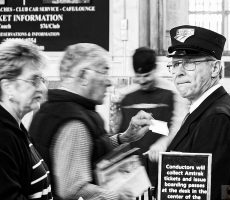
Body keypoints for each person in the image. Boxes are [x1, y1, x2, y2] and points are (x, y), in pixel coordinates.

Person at [29, 43, 152, 200]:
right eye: (104, 72)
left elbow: (87, 150)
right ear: (84, 76)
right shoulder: (74, 122)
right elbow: (72, 189)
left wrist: (123, 138)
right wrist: (119, 195)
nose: (110, 82)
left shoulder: (54, 108)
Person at [166, 25, 230, 200]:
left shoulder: (217, 118)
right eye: (175, 64)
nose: (179, 73)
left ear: (215, 69)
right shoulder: (207, 108)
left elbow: (206, 192)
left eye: (190, 64)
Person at [118, 47, 188, 184]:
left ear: (155, 69)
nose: (143, 81)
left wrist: (164, 142)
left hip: (164, 166)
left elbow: (179, 126)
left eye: (147, 75)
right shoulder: (126, 97)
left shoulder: (172, 93)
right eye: (138, 77)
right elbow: (120, 134)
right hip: (133, 170)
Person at [0, 39, 52, 199]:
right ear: (7, 87)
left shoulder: (17, 129)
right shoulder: (3, 137)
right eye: (34, 80)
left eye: (42, 80)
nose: (42, 88)